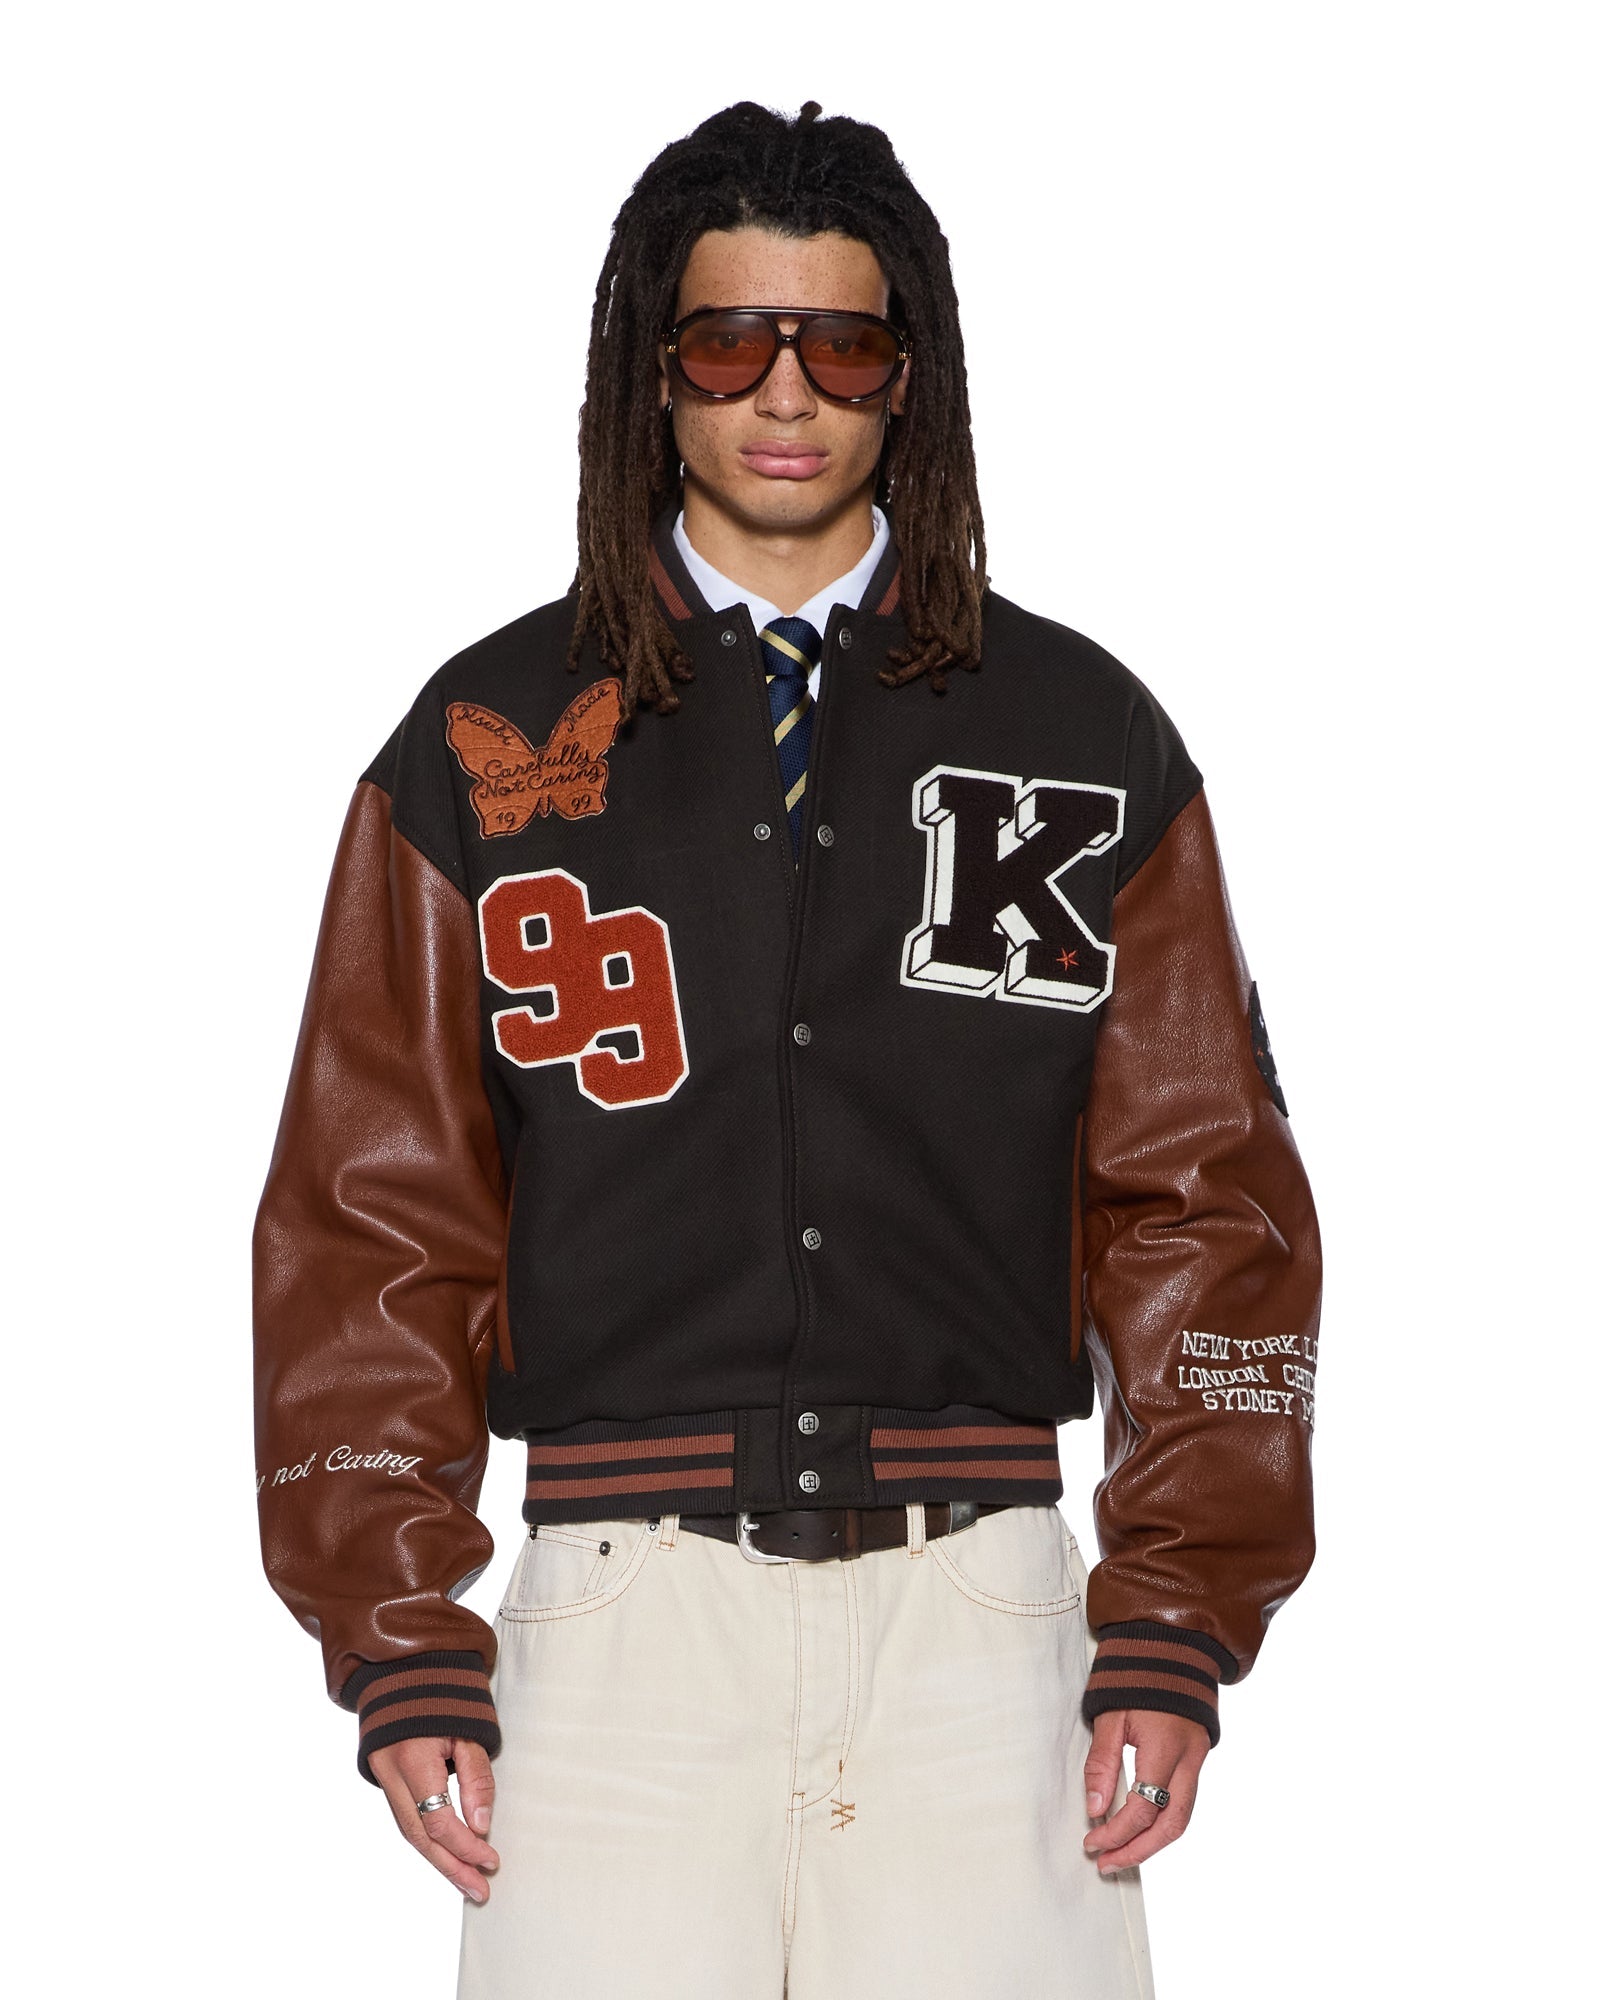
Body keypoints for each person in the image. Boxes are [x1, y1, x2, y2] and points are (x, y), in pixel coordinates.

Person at [252, 99, 1321, 1998]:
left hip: (988, 1625)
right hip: (618, 1631)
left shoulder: (1079, 731)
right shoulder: (485, 735)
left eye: (842, 345)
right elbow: (376, 1211)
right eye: (729, 339)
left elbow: (1204, 1197)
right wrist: (395, 1623)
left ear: (912, 377)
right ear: (650, 371)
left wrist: (1176, 1609)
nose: (786, 394)